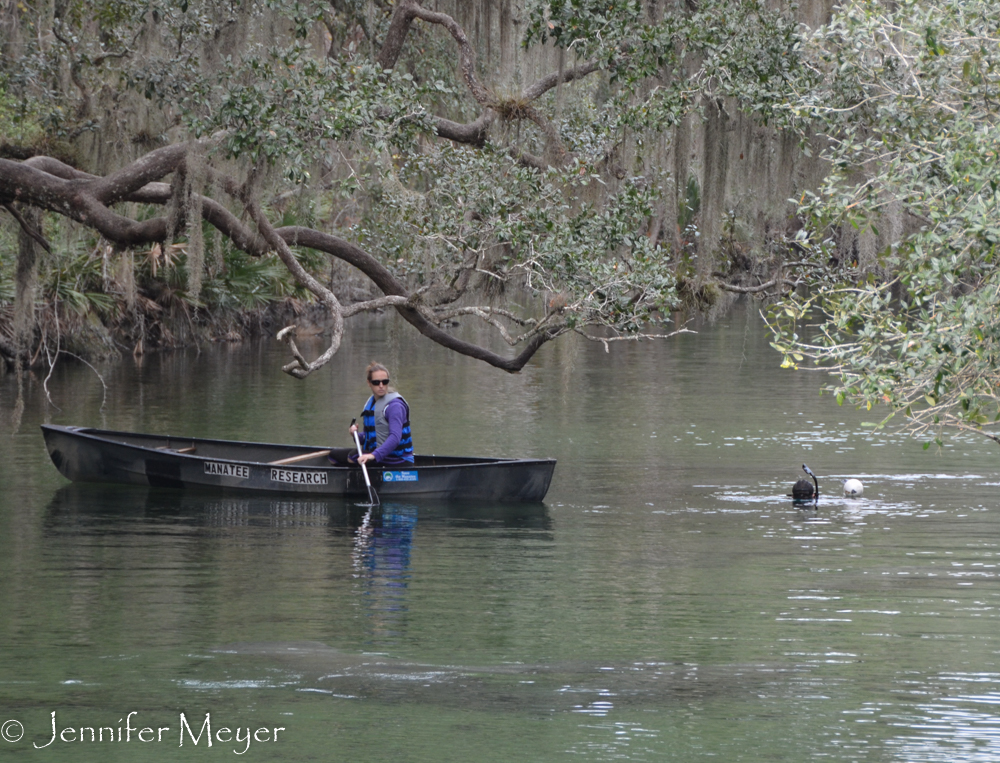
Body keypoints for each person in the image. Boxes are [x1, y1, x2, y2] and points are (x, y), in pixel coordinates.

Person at [346, 362, 414, 465]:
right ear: (369, 383)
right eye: (376, 382)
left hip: (398, 459)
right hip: (381, 455)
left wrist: (373, 455)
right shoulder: (373, 403)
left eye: (385, 382)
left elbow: (395, 438)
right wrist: (356, 435)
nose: (381, 386)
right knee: (334, 456)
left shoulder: (394, 406)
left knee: (352, 457)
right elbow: (371, 438)